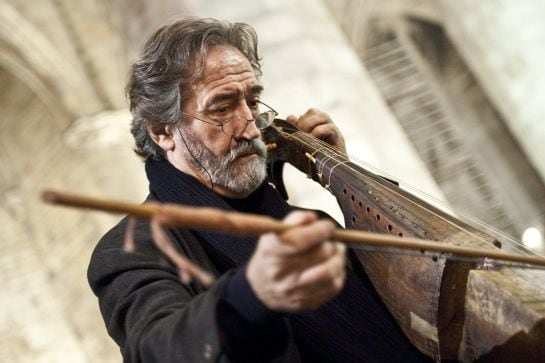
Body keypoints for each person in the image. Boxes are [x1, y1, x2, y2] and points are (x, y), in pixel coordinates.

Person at [88, 17, 430, 362]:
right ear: (163, 131)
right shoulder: (131, 249)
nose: (250, 128)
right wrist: (250, 296)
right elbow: (157, 351)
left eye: (251, 102)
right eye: (222, 109)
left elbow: (415, 298)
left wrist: (349, 182)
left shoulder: (309, 222)